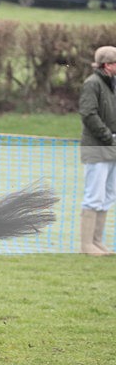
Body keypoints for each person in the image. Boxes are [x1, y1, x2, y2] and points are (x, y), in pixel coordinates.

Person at [79, 45, 116, 256]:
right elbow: (88, 114)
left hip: (111, 148)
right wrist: (107, 137)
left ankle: (97, 241)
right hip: (97, 147)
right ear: (107, 65)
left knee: (108, 194)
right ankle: (86, 245)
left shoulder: (112, 84)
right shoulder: (92, 84)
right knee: (93, 195)